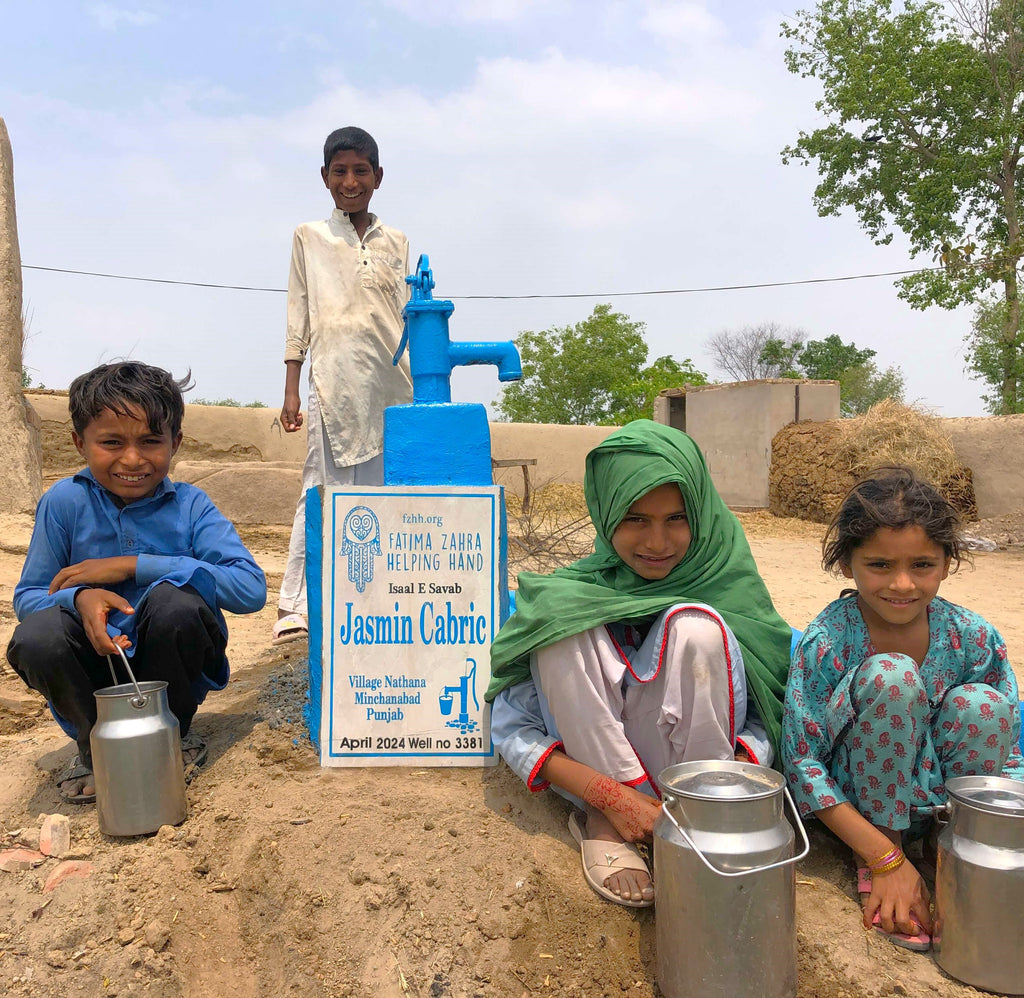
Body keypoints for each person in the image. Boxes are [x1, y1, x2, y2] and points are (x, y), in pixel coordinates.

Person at [486, 420, 793, 907]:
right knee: (563, 627)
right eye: (635, 519)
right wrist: (610, 797)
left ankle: (699, 818)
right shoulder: (571, 597)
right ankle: (604, 824)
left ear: (701, 513)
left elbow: (765, 718)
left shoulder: (729, 590)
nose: (658, 541)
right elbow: (511, 726)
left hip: (697, 781)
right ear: (605, 516)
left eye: (676, 518)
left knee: (699, 627)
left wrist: (728, 783)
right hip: (600, 781)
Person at [782, 467, 1023, 951]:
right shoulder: (829, 639)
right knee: (891, 676)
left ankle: (948, 852)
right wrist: (883, 856)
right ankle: (886, 859)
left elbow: (1009, 751)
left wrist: (991, 841)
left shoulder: (971, 637)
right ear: (847, 563)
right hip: (861, 815)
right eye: (879, 565)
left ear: (948, 562)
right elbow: (802, 760)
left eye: (923, 564)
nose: (902, 584)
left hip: (944, 809)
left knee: (986, 704)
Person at [6, 361, 267, 804]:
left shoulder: (190, 506)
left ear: (175, 443)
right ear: (79, 443)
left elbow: (249, 588)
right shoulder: (64, 503)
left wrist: (133, 565)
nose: (132, 459)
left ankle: (171, 737)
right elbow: (29, 597)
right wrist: (80, 597)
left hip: (170, 667)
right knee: (37, 637)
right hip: (93, 671)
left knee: (176, 604)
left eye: (150, 441)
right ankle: (94, 750)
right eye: (111, 442)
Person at [273, 125, 411, 645]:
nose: (350, 181)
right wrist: (292, 383)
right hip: (333, 381)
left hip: (392, 384)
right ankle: (295, 605)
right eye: (340, 171)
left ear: (378, 177)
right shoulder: (309, 236)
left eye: (360, 171)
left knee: (381, 493)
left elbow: (403, 313)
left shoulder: (395, 240)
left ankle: (367, 596)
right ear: (325, 177)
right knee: (321, 489)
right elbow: (298, 312)